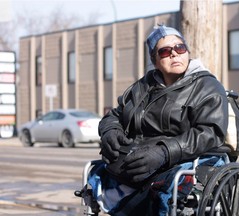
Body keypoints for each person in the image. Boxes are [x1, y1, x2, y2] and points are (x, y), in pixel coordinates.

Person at [88, 24, 229, 216]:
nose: (174, 54)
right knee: (100, 169)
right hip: (140, 155)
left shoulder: (207, 86)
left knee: (161, 186)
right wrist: (110, 130)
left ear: (186, 51)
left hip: (183, 158)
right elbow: (114, 115)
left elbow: (210, 132)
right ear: (154, 60)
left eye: (180, 48)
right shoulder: (142, 87)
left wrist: (165, 152)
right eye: (165, 51)